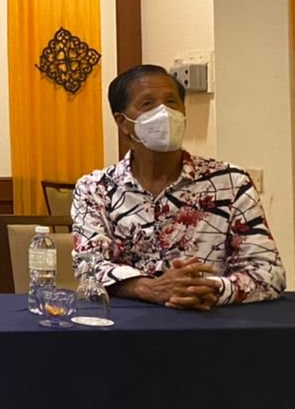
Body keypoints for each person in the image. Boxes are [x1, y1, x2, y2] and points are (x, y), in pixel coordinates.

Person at [72, 64, 285, 308]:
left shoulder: (231, 182)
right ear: (123, 122)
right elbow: (88, 267)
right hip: (127, 324)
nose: (164, 112)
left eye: (172, 102)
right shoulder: (95, 189)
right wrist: (148, 288)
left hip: (212, 320)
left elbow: (269, 272)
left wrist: (208, 289)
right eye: (148, 104)